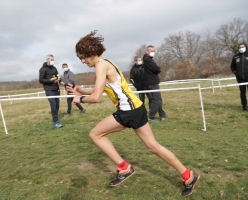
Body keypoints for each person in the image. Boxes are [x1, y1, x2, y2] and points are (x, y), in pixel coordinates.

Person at [67, 30, 200, 196]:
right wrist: (80, 90)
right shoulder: (106, 63)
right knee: (153, 147)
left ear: (91, 52)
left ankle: (124, 168)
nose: (83, 61)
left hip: (128, 112)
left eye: (83, 56)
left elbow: (97, 97)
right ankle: (188, 176)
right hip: (136, 109)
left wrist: (80, 100)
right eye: (80, 58)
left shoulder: (101, 66)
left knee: (96, 134)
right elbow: (101, 88)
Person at [142, 45, 166, 123]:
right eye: (152, 51)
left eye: (154, 51)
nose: (153, 52)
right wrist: (158, 68)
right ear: (147, 52)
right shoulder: (148, 60)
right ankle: (151, 116)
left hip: (153, 82)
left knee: (158, 99)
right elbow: (156, 69)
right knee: (156, 100)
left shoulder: (148, 59)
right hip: (152, 82)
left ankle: (162, 115)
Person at [39, 54, 63, 128]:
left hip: (56, 89)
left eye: (53, 59)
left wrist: (59, 79)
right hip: (49, 90)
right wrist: (50, 80)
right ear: (47, 60)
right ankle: (56, 121)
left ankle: (54, 119)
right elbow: (41, 80)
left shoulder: (54, 68)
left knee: (57, 105)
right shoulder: (42, 69)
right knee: (53, 105)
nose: (53, 61)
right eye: (51, 59)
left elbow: (58, 75)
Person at [230, 42, 248, 111]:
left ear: (245, 47)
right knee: (242, 92)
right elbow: (232, 66)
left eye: (242, 47)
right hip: (240, 78)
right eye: (240, 47)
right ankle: (244, 106)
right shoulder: (235, 57)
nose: (241, 48)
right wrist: (235, 72)